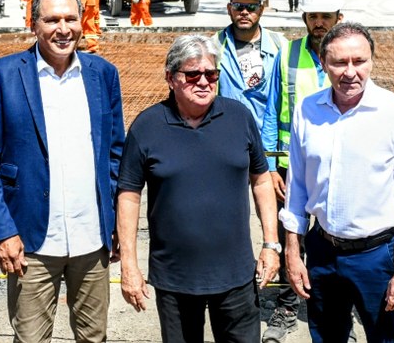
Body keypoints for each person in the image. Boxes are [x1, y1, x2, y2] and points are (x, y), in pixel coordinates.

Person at [0, 0, 125, 343]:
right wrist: (3, 234)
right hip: (31, 242)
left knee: (93, 337)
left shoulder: (103, 74)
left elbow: (115, 154)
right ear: (33, 24)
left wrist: (113, 219)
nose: (63, 28)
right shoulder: (4, 75)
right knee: (31, 338)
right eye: (52, 19)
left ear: (82, 22)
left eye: (71, 18)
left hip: (92, 241)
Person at [117, 34, 280, 342]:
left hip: (236, 277)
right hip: (175, 279)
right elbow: (128, 196)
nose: (204, 81)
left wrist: (271, 245)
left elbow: (261, 180)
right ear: (171, 78)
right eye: (193, 74)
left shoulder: (239, 117)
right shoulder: (147, 126)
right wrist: (130, 266)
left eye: (211, 74)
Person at [281, 22, 394, 342]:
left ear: (371, 61)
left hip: (376, 255)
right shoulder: (307, 111)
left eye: (359, 61)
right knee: (326, 336)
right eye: (339, 63)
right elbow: (297, 189)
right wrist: (293, 253)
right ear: (323, 64)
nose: (350, 72)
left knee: (384, 338)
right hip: (323, 252)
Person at [260, 0, 345, 343]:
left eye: (326, 16)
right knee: (288, 235)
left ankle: (334, 311)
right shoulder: (288, 54)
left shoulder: (346, 55)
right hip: (290, 165)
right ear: (305, 18)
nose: (319, 23)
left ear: (339, 17)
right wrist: (268, 164)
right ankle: (286, 303)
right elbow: (271, 109)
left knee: (333, 236)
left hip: (335, 163)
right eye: (313, 16)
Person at [215, 0, 286, 131]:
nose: (245, 12)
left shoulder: (280, 45)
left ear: (261, 9)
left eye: (251, 7)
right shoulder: (214, 46)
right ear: (229, 9)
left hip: (267, 140)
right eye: (238, 6)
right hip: (229, 137)